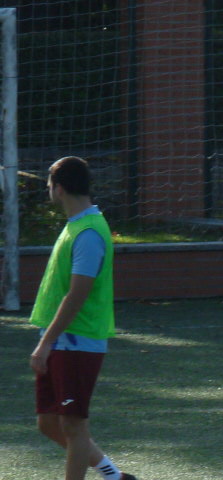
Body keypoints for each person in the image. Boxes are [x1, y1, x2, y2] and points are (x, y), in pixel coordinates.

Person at [29, 156, 137, 480]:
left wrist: (45, 343)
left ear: (59, 188)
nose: (49, 190)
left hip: (77, 341)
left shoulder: (88, 232)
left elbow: (77, 295)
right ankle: (114, 476)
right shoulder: (76, 225)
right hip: (61, 340)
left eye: (49, 185)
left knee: (73, 426)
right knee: (48, 423)